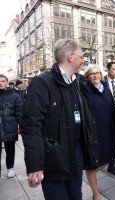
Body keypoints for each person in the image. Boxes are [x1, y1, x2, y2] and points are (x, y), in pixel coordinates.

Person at [21, 39, 98, 200]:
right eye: (81, 55)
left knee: (76, 195)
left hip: (75, 153)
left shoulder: (78, 82)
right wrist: (35, 165)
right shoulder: (42, 82)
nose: (83, 59)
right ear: (70, 57)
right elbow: (31, 125)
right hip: (53, 157)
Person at [84, 65, 115, 200]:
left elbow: (112, 110)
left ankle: (92, 176)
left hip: (107, 130)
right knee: (92, 164)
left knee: (108, 159)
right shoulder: (85, 91)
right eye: (92, 74)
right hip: (93, 133)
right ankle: (95, 193)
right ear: (88, 76)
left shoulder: (106, 90)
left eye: (97, 73)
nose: (96, 75)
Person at [0, 74, 23, 178]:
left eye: (3, 81)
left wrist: (22, 126)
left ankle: (10, 168)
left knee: (10, 150)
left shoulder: (14, 96)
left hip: (10, 126)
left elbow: (19, 113)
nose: (1, 83)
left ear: (7, 82)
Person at [103, 62, 115, 177]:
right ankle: (101, 160)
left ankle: (111, 165)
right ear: (108, 70)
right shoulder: (102, 82)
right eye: (114, 69)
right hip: (105, 116)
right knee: (104, 140)